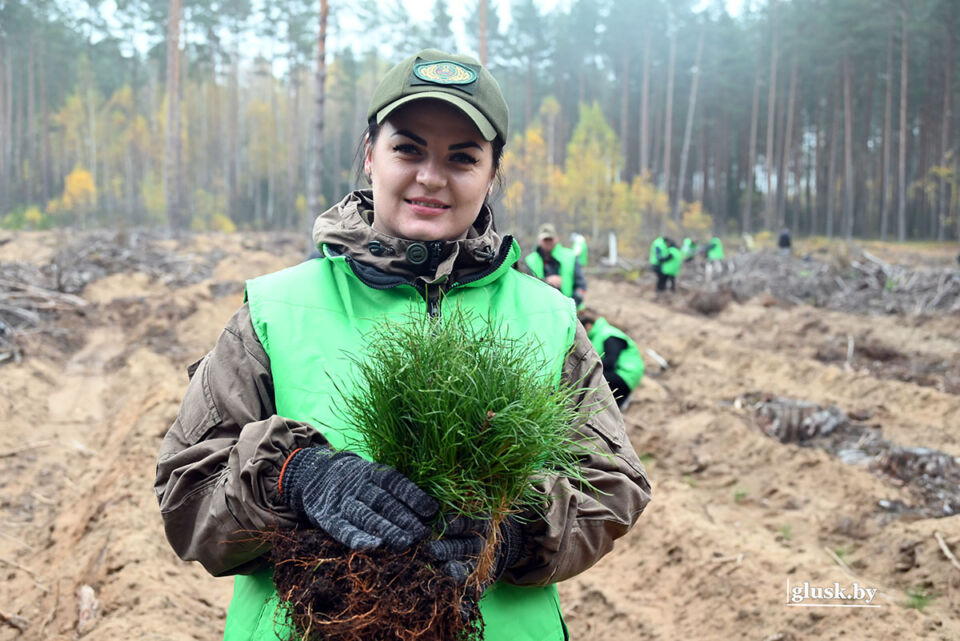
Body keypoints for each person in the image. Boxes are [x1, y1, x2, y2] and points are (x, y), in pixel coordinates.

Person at [155, 48, 650, 641]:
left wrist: (511, 533)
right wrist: (296, 475)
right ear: (370, 156)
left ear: (493, 174)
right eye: (407, 148)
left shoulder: (548, 319)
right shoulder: (272, 312)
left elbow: (612, 484)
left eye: (462, 157)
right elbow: (187, 494)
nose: (430, 177)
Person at [578, 310, 644, 409]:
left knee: (585, 380)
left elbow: (610, 361)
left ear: (587, 326)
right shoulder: (597, 336)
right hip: (620, 373)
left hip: (625, 374)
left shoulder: (608, 334)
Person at [524, 222, 588, 308]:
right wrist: (546, 281)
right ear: (539, 240)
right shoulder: (530, 260)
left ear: (557, 239)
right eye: (545, 239)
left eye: (550, 239)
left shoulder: (570, 256)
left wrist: (573, 303)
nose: (548, 242)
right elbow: (527, 287)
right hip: (541, 307)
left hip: (569, 307)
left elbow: (581, 285)